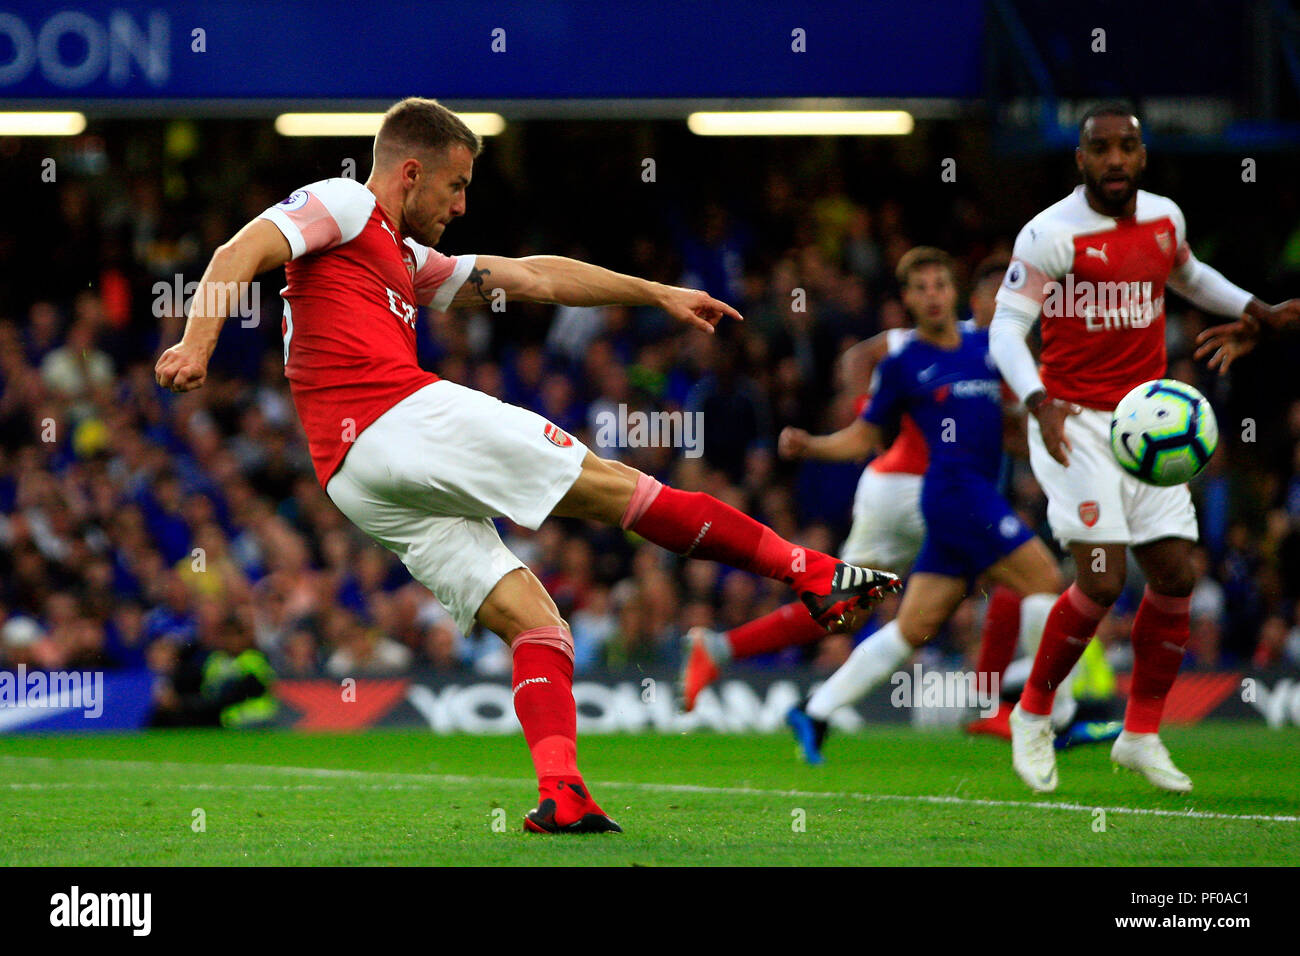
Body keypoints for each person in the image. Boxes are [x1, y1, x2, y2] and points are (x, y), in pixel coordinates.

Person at [154, 97, 899, 834]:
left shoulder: (399, 258)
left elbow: (534, 277)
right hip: (393, 416)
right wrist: (197, 344)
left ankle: (562, 792)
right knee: (619, 490)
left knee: (540, 626)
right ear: (409, 173)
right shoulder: (345, 201)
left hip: (352, 474)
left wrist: (655, 292)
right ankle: (812, 573)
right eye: (455, 185)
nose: (462, 204)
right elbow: (237, 253)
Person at [989, 102, 1300, 793]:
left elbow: (1187, 276)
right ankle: (1033, 714)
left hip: (1147, 423)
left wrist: (1256, 309)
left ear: (1142, 154)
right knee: (1101, 579)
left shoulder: (1164, 218)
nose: (1114, 161)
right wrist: (1036, 400)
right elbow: (1006, 330)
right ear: (1081, 159)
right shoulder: (1051, 233)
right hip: (1072, 421)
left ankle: (1141, 735)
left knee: (1175, 577)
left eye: (1126, 148)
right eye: (1100, 149)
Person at [678, 255, 1035, 722]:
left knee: (847, 608)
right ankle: (1007, 708)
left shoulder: (998, 355)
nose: (1000, 305)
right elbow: (858, 356)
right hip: (914, 489)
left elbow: (1009, 434)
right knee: (1018, 571)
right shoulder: (923, 342)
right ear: (973, 299)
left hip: (899, 492)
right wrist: (868, 409)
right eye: (992, 295)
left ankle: (723, 650)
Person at [776, 247, 1065, 762]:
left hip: (966, 496)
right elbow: (865, 438)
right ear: (907, 299)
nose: (932, 296)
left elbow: (1010, 433)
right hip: (956, 493)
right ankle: (1049, 715)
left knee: (911, 628)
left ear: (954, 293)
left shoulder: (988, 347)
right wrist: (813, 445)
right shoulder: (905, 364)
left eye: (940, 285)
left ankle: (816, 709)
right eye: (921, 288)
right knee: (1045, 585)